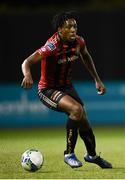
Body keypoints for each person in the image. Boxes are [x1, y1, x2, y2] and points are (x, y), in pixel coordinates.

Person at [21, 11, 112, 169]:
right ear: (59, 29)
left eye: (75, 26)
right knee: (76, 110)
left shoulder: (79, 42)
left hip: (66, 87)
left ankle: (92, 156)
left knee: (83, 119)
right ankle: (69, 154)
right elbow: (27, 62)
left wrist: (97, 79)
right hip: (47, 89)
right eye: (69, 27)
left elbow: (86, 56)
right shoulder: (51, 46)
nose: (73, 30)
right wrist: (27, 74)